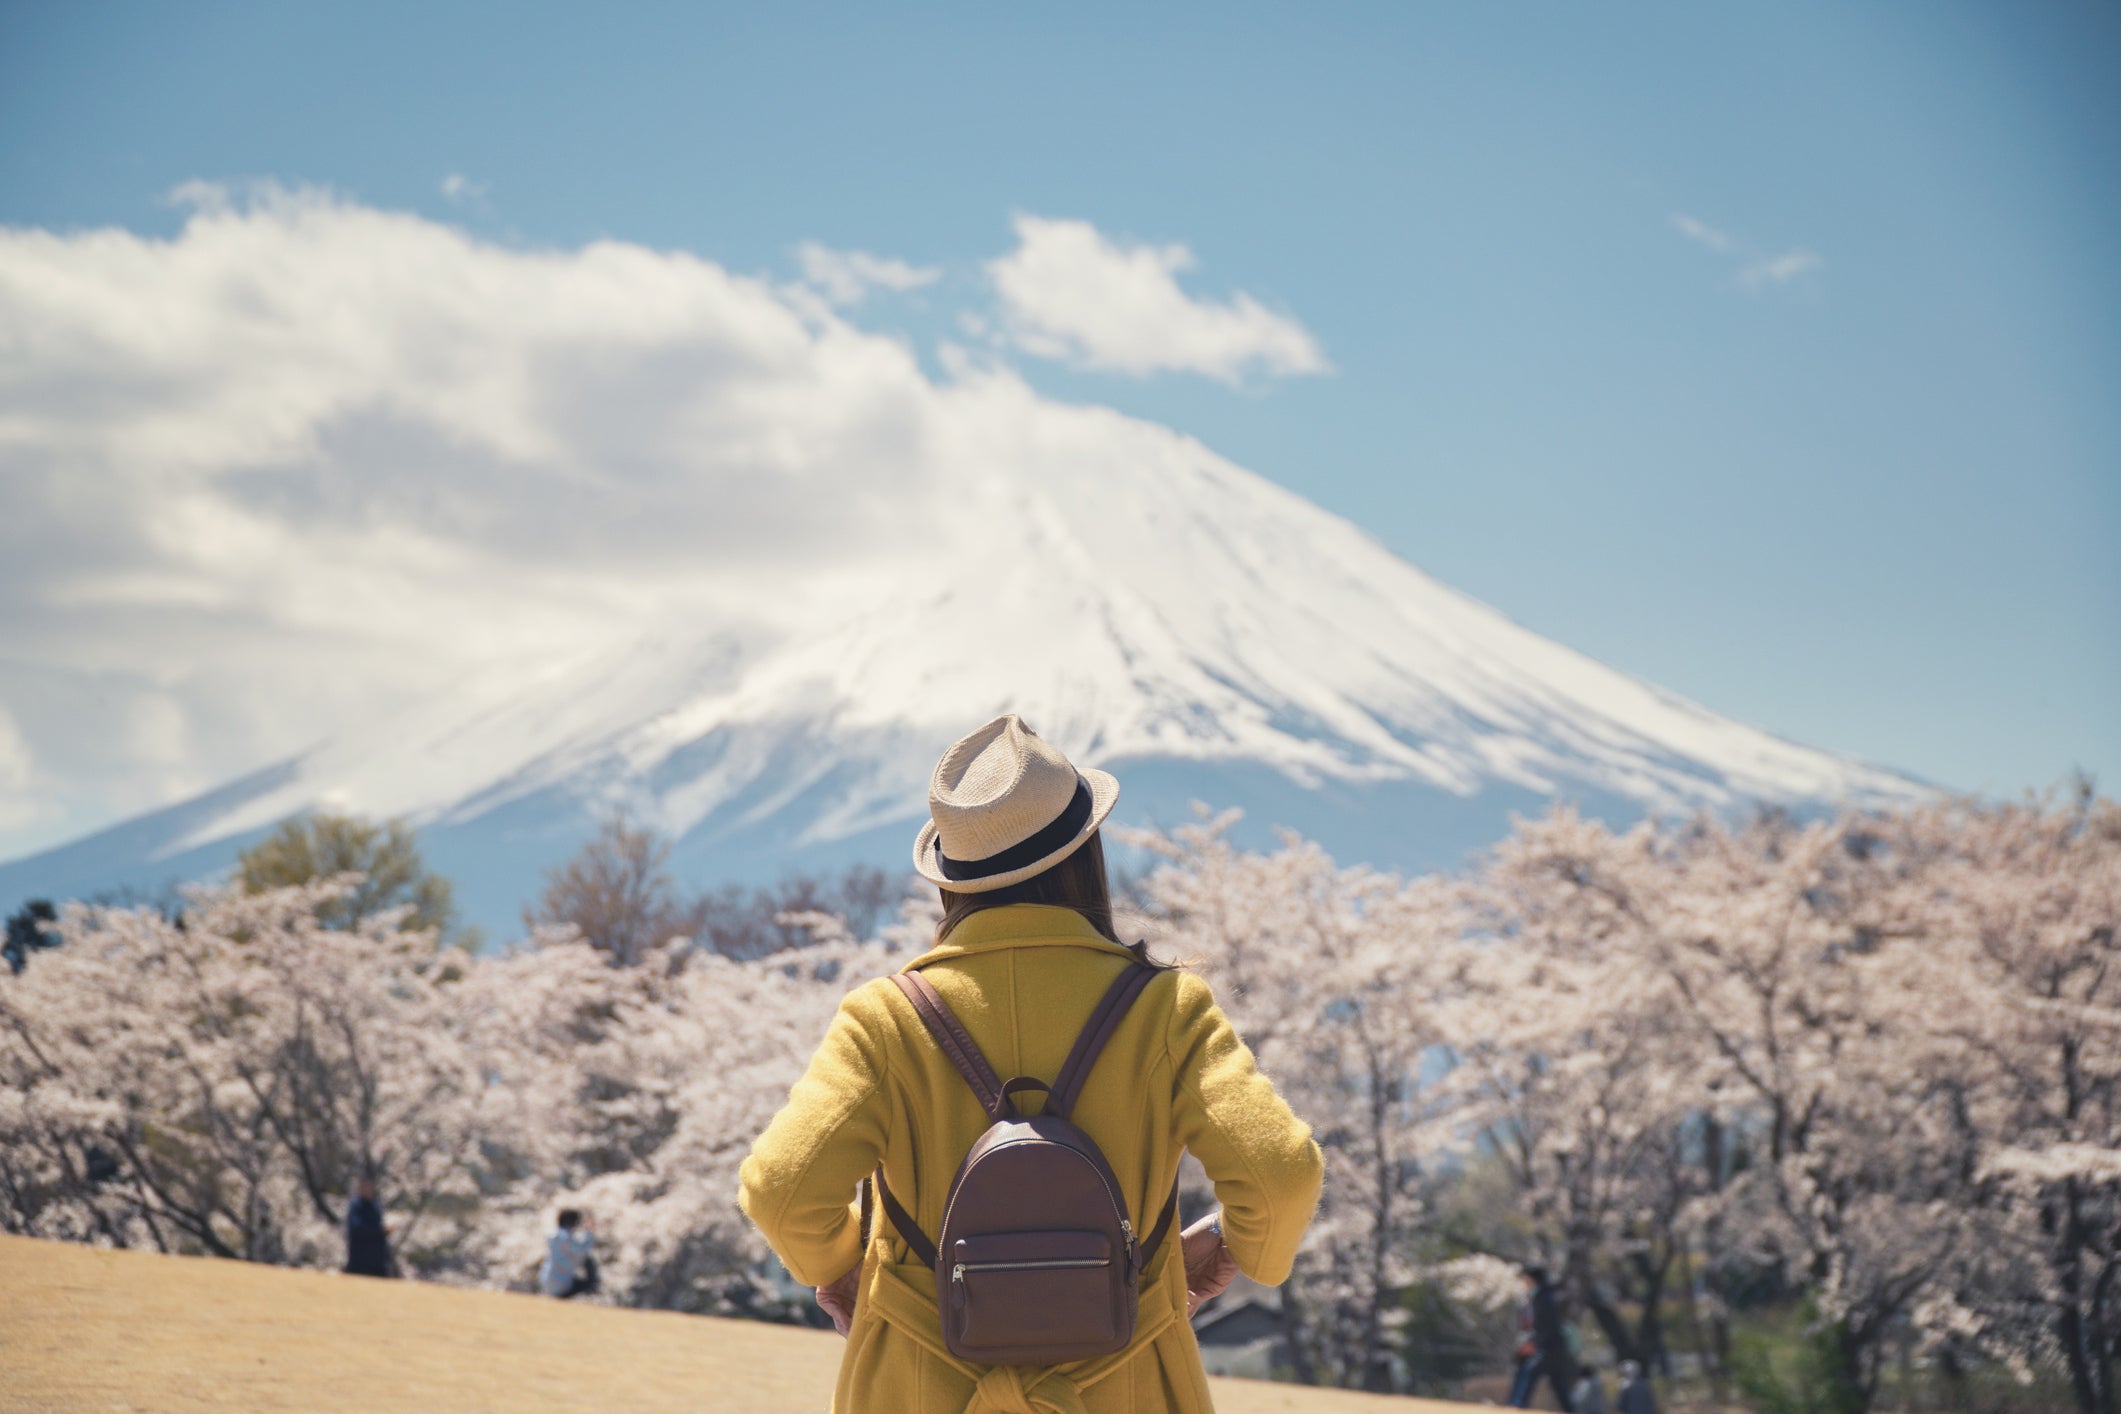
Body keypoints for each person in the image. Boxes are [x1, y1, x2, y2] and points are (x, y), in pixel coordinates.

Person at [740, 714, 1326, 1414]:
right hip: (1126, 1382)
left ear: (950, 878)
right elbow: (1281, 1175)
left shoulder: (885, 1018)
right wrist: (1235, 1249)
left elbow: (781, 1190)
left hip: (919, 1387)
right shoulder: (1164, 1007)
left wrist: (845, 1271)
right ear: (1086, 854)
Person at [1507, 1264, 1576, 1410]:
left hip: (1548, 1347)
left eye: (1525, 1278)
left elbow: (1546, 1325)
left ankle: (1519, 1406)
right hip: (1555, 1347)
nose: (1524, 1281)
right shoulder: (1545, 1294)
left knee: (1531, 1373)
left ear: (1532, 1279)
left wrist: (1535, 1341)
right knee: (1558, 1385)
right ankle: (1571, 1410)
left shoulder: (1542, 1297)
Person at [342, 1174, 394, 1278]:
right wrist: (380, 1231)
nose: (367, 1189)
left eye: (369, 1186)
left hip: (377, 1260)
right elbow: (357, 1228)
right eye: (364, 1186)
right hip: (360, 1260)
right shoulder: (356, 1206)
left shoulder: (375, 1206)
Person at [540, 1208, 599, 1299]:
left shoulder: (552, 1235)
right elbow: (583, 1251)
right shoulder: (566, 1238)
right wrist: (589, 1232)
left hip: (546, 1280)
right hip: (562, 1284)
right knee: (591, 1279)